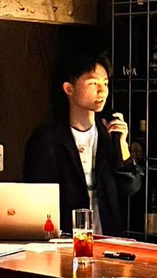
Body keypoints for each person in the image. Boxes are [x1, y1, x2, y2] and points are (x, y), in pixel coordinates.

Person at [23, 51, 143, 235]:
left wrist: (122, 144)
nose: (102, 91)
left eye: (105, 83)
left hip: (107, 237)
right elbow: (35, 196)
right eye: (93, 83)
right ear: (69, 89)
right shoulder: (47, 139)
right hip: (63, 237)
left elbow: (131, 188)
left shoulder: (109, 133)